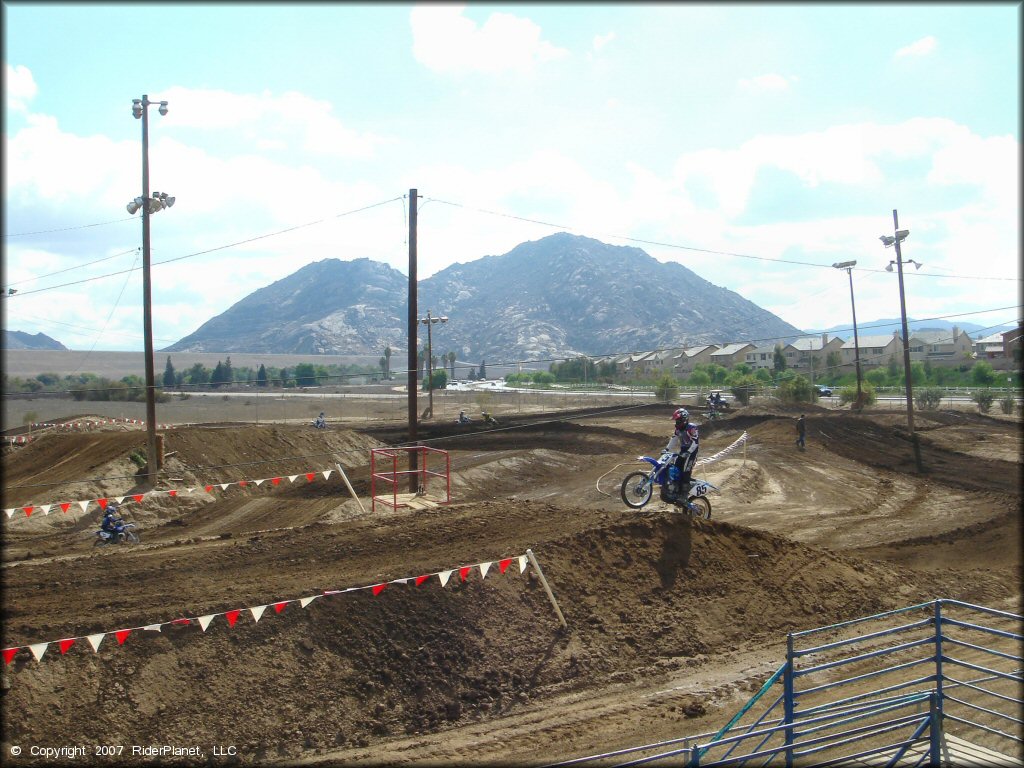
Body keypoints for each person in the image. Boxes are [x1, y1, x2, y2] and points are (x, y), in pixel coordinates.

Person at [666, 408, 699, 500]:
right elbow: (674, 439)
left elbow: (695, 442)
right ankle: (676, 490)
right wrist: (666, 449)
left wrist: (688, 452)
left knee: (685, 471)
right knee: (676, 469)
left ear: (684, 419)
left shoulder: (691, 428)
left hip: (692, 453)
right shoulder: (678, 429)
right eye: (676, 420)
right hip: (683, 451)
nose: (676, 422)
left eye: (678, 420)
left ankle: (684, 494)